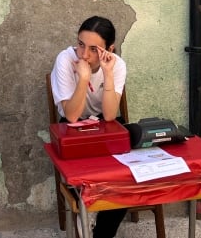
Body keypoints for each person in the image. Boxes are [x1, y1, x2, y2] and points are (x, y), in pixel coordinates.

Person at [50, 16, 127, 238]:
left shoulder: (117, 65)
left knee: (122, 180)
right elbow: (72, 115)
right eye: (81, 44)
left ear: (109, 49)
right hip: (72, 128)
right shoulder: (66, 59)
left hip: (106, 124)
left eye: (94, 49)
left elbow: (111, 115)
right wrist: (83, 78)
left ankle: (101, 234)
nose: (84, 54)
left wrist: (108, 73)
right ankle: (85, 218)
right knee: (85, 180)